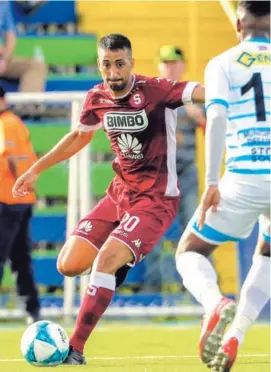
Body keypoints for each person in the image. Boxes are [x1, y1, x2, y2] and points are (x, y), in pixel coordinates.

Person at [13, 33, 205, 365]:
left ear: (131, 63)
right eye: (106, 64)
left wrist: (235, 88)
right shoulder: (97, 97)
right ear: (99, 64)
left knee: (105, 259)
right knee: (68, 265)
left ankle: (75, 348)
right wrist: (36, 170)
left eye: (120, 64)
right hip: (119, 194)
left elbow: (201, 92)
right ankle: (119, 264)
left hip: (156, 199)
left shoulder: (156, 90)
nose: (113, 72)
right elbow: (78, 137)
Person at [175, 1, 270, 371]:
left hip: (245, 176)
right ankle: (237, 336)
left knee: (190, 251)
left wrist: (211, 182)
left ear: (238, 24)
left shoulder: (222, 62)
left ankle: (215, 303)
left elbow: (215, 117)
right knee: (267, 257)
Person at [0, 86, 40, 324]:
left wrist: (20, 187)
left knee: (11, 257)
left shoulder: (7, 123)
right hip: (18, 201)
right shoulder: (12, 122)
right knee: (20, 258)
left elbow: (16, 160)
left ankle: (31, 308)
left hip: (9, 200)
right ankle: (31, 309)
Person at [0, 1, 47, 92]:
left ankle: (27, 105)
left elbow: (10, 35)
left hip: (2, 59)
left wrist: (4, 59)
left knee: (35, 66)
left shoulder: (3, 3)